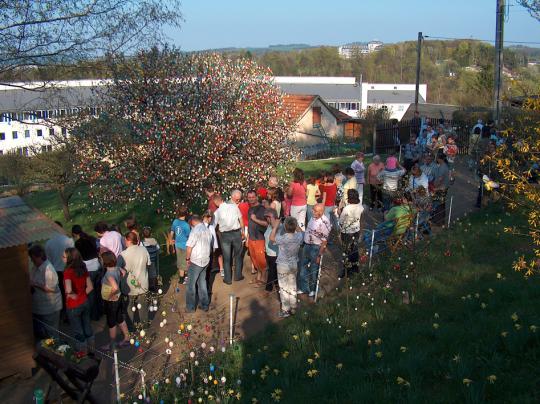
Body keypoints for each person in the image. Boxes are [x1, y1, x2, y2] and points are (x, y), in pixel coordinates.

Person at [270, 216, 303, 318]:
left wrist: (275, 226)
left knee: (283, 287)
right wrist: (295, 224)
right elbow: (301, 231)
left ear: (284, 226)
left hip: (283, 265)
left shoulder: (282, 238)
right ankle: (293, 307)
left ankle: (285, 309)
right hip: (293, 264)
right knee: (293, 285)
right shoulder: (298, 236)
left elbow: (271, 239)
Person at [63, 248, 94, 352]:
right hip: (85, 301)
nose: (62, 258)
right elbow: (90, 287)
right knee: (87, 328)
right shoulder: (83, 267)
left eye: (64, 256)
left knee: (78, 332)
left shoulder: (67, 272)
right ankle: (92, 351)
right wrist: (81, 295)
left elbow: (68, 289)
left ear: (70, 258)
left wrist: (72, 295)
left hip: (73, 305)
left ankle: (83, 354)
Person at [29, 245, 62, 340]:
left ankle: (56, 351)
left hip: (50, 308)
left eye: (33, 258)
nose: (32, 261)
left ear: (39, 256)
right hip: (39, 307)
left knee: (52, 332)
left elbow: (51, 288)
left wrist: (34, 284)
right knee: (42, 332)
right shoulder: (35, 267)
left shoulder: (48, 269)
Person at [298, 204, 332, 297]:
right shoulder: (313, 217)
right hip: (306, 245)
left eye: (316, 211)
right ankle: (304, 288)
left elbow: (324, 241)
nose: (313, 212)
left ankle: (313, 290)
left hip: (316, 247)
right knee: (303, 267)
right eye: (313, 210)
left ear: (321, 212)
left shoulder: (325, 222)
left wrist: (319, 255)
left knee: (314, 269)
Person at [119, 232, 150, 329]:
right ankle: (144, 325)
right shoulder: (143, 249)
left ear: (128, 240)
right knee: (143, 306)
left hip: (129, 286)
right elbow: (148, 263)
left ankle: (130, 327)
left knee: (129, 307)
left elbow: (118, 269)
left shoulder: (123, 254)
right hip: (143, 283)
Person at [100, 251, 130, 351]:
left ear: (104, 262)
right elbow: (124, 272)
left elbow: (116, 288)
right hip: (118, 299)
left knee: (111, 323)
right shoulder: (117, 268)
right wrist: (120, 278)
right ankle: (126, 338)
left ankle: (112, 344)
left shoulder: (108, 274)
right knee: (120, 318)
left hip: (111, 301)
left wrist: (110, 295)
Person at [213, 193, 245, 284]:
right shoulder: (234, 207)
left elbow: (213, 226)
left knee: (226, 258)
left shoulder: (217, 212)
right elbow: (241, 219)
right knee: (238, 255)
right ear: (222, 199)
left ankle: (227, 279)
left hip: (225, 235)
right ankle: (238, 276)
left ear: (216, 202)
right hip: (236, 233)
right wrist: (243, 231)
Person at [72, 225, 101, 320]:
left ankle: (94, 315)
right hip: (97, 266)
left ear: (75, 234)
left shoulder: (78, 243)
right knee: (98, 290)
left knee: (91, 293)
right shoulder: (90, 239)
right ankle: (100, 311)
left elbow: (78, 258)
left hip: (89, 269)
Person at [45, 223, 74, 316]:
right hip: (68, 269)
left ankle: (64, 312)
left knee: (61, 292)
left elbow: (48, 260)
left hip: (57, 271)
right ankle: (71, 310)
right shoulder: (69, 240)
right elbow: (74, 255)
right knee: (71, 290)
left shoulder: (48, 243)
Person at [185, 215, 213, 313]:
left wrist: (187, 259)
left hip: (196, 261)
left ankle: (190, 307)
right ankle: (205, 305)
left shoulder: (195, 231)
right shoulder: (207, 230)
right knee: (202, 282)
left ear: (192, 222)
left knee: (191, 285)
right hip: (205, 260)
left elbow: (189, 247)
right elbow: (210, 246)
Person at [339, 189, 363, 278]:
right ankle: (355, 267)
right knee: (354, 249)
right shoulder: (360, 207)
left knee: (346, 251)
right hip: (356, 231)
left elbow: (341, 221)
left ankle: (347, 271)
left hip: (347, 232)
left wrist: (339, 211)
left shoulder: (346, 209)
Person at [247, 190, 268, 287]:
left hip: (259, 238)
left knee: (261, 261)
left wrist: (255, 219)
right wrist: (248, 238)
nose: (251, 199)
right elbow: (249, 224)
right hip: (251, 238)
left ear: (256, 197)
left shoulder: (262, 209)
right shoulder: (250, 209)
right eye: (249, 197)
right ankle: (258, 277)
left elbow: (267, 224)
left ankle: (263, 280)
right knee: (254, 260)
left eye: (253, 197)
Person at [170, 205, 191, 285]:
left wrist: (171, 240)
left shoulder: (175, 221)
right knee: (187, 261)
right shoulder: (186, 225)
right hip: (185, 245)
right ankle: (187, 277)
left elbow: (172, 232)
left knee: (180, 261)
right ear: (186, 214)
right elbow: (189, 236)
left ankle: (181, 279)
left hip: (177, 245)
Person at [263, 208, 280, 293]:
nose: (266, 219)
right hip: (268, 252)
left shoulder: (279, 226)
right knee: (273, 271)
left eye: (267, 217)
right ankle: (277, 286)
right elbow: (266, 236)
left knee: (271, 271)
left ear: (271, 217)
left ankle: (268, 289)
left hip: (275, 253)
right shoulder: (269, 225)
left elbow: (274, 239)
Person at [432, 152, 450, 225]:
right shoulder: (443, 166)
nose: (436, 159)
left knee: (438, 204)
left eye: (437, 158)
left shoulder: (443, 167)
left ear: (440, 159)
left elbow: (440, 179)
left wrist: (434, 187)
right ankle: (440, 220)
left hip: (440, 189)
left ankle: (439, 221)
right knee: (441, 204)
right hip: (442, 188)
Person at [141, 226, 160, 292]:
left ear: (143, 234)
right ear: (151, 234)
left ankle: (146, 287)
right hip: (153, 260)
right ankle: (153, 286)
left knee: (146, 273)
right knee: (152, 274)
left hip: (145, 261)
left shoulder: (142, 243)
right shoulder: (154, 241)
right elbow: (158, 248)